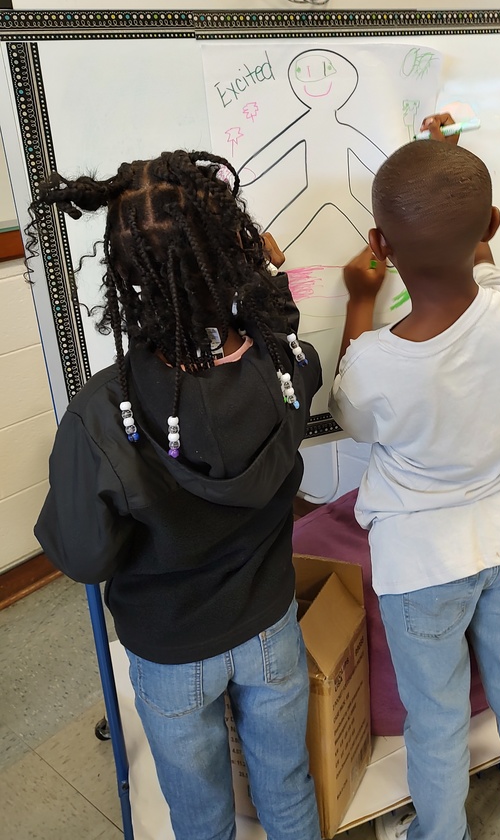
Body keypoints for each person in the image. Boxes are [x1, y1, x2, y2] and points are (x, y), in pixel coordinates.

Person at [32, 150, 322, 840]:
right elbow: (294, 345)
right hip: (269, 626)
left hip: (170, 652)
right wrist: (264, 282)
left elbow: (82, 555)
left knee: (199, 812)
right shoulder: (284, 367)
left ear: (127, 278)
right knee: (286, 784)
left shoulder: (104, 413)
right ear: (233, 256)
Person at [328, 116, 500, 840]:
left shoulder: (376, 361)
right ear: (492, 224)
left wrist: (358, 300)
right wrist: (453, 162)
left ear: (379, 247)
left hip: (419, 566)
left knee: (434, 719)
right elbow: (483, 253)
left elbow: (350, 414)